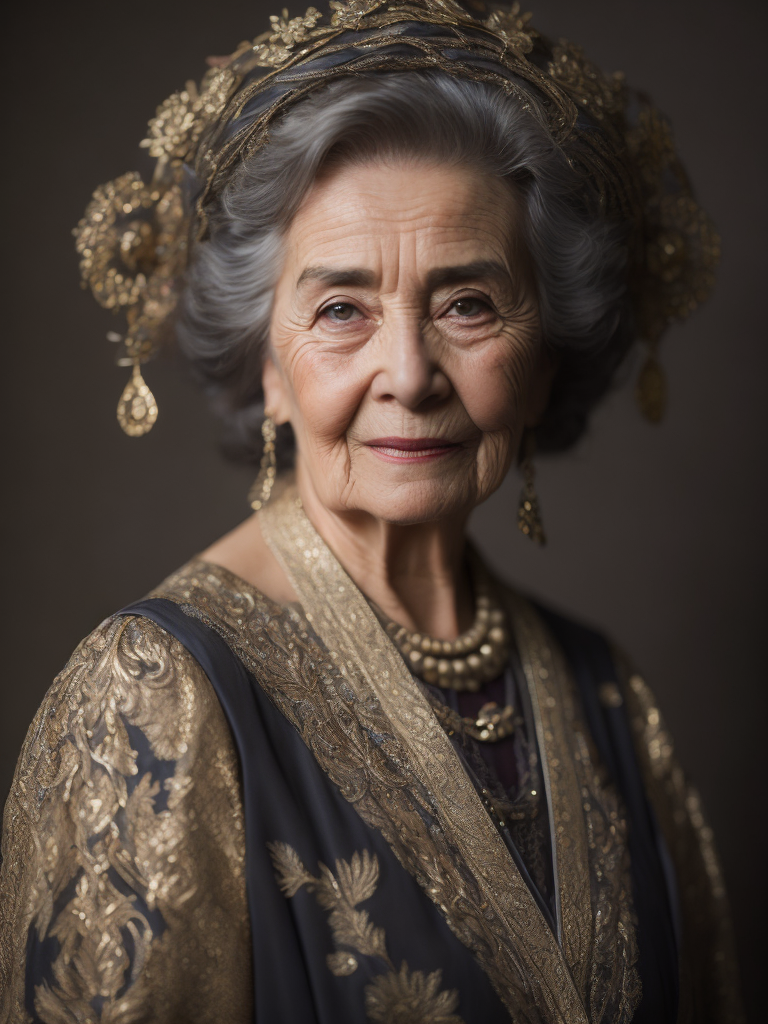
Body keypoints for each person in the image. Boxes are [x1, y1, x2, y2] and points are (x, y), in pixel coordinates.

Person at [0, 3, 743, 1022]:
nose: (408, 373)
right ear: (268, 367)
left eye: (467, 303)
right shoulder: (151, 700)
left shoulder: (605, 691)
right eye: (342, 308)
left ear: (542, 360)